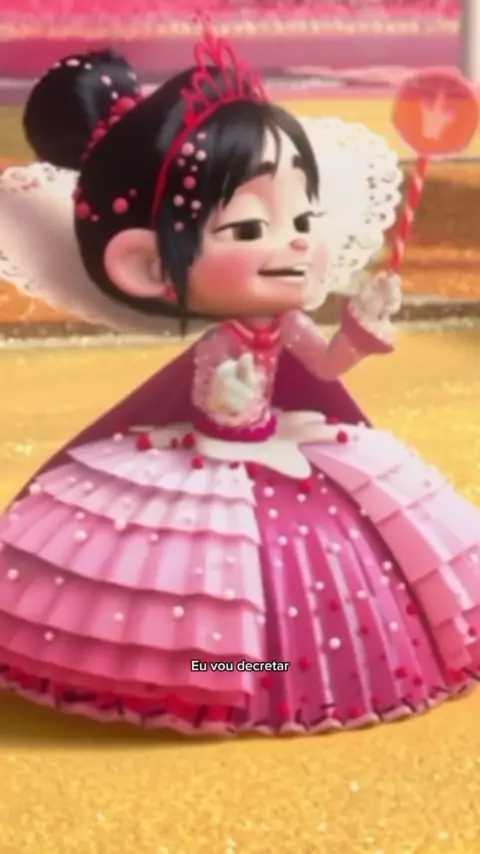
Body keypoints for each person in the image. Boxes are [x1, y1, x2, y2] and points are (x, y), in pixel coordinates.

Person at [0, 30, 478, 736]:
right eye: (251, 228)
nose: (296, 241)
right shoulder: (224, 340)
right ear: (149, 267)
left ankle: (292, 671)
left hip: (282, 444)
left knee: (345, 564)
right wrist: (223, 401)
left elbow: (323, 367)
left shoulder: (283, 323)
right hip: (210, 459)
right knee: (204, 597)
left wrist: (360, 331)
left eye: (303, 218)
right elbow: (221, 398)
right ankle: (225, 673)